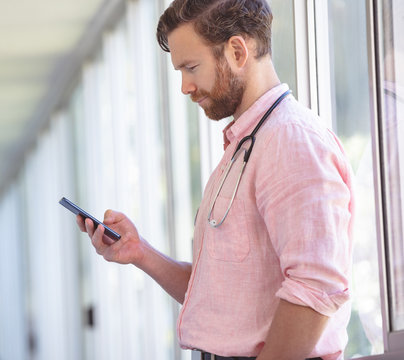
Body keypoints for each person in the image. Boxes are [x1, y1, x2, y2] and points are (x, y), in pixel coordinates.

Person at [76, 0, 354, 359]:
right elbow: (223, 298)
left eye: (191, 67)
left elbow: (317, 287)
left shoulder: (291, 141)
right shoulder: (246, 146)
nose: (184, 86)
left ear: (238, 51)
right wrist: (140, 252)